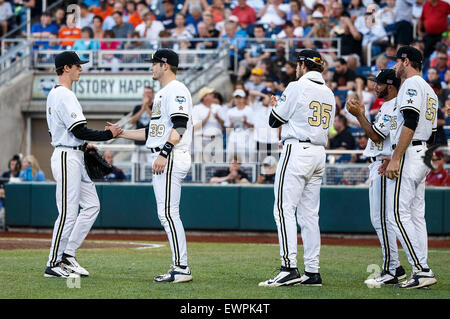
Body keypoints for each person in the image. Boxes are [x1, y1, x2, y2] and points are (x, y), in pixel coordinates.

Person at [110, 49, 194, 283]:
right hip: (164, 153)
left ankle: (182, 267)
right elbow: (152, 132)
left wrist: (165, 153)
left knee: (168, 213)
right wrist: (122, 133)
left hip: (171, 155)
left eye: (155, 63)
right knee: (166, 213)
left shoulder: (176, 89)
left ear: (165, 65)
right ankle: (179, 265)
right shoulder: (163, 93)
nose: (151, 67)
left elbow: (180, 126)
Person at [259, 49, 336, 287]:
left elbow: (274, 121)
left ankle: (288, 268)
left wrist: (277, 105)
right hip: (318, 153)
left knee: (283, 209)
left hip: (297, 151)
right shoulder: (329, 92)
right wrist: (283, 107)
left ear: (303, 64)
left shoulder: (296, 86)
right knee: (310, 216)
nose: (296, 66)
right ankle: (312, 272)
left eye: (297, 62)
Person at [44, 51, 122, 278]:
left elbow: (73, 132)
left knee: (91, 206)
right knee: (68, 213)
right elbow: (78, 129)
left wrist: (85, 144)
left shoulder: (55, 94)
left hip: (73, 153)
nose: (81, 69)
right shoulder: (64, 95)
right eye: (77, 66)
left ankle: (67, 255)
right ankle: (53, 263)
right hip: (67, 156)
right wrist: (108, 134)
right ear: (66, 68)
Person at [346, 69, 407, 286]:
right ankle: (394, 267)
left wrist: (360, 115)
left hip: (383, 166)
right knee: (381, 219)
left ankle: (392, 269)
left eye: (378, 83)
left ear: (389, 86)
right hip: (382, 163)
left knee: (383, 219)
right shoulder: (388, 105)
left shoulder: (393, 105)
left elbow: (376, 135)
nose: (374, 86)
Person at [384, 46, 438, 289]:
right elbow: (434, 133)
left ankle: (421, 269)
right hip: (424, 152)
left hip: (410, 151)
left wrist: (396, 156)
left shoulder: (410, 84)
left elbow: (410, 120)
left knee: (397, 213)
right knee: (416, 216)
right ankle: (422, 268)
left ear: (406, 61)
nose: (395, 65)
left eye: (397, 61)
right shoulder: (430, 90)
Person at [192, 87, 225, 163]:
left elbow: (226, 125)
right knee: (200, 162)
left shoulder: (218, 107)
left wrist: (218, 118)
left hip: (217, 138)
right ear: (204, 97)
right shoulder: (196, 108)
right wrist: (206, 119)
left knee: (218, 161)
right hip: (201, 139)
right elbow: (194, 127)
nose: (213, 95)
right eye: (210, 94)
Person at [129, 86, 154, 171]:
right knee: (136, 166)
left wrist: (146, 107)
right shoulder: (137, 107)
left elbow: (155, 119)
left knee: (151, 166)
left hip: (150, 142)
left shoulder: (156, 106)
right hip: (138, 142)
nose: (147, 95)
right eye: (146, 93)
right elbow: (132, 120)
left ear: (153, 95)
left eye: (149, 93)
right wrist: (142, 108)